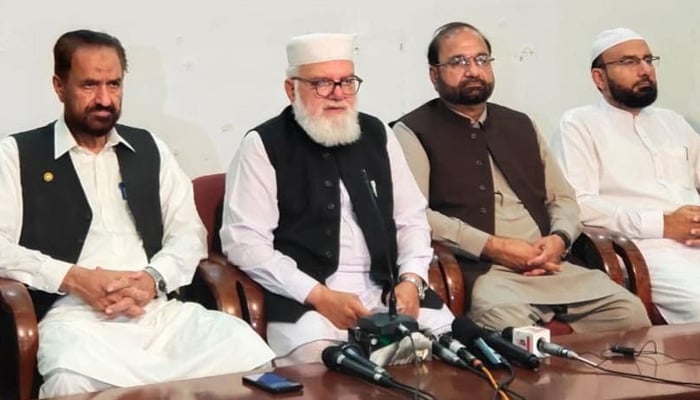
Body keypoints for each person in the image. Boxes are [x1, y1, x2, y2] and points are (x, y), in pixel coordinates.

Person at [0, 29, 274, 397]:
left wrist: (152, 279)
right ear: (59, 86)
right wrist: (74, 278)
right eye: (89, 85)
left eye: (114, 84)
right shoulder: (16, 155)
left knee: (248, 353)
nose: (104, 99)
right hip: (75, 318)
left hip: (157, 311)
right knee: (71, 380)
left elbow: (188, 233)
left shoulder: (149, 148)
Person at [393, 22, 650, 333]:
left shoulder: (520, 123)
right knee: (506, 323)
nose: (473, 70)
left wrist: (559, 239)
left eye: (481, 59)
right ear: (434, 75)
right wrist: (494, 247)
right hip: (486, 271)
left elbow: (563, 198)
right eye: (459, 62)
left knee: (629, 313)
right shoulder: (412, 131)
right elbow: (417, 216)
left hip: (553, 265)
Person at [220, 32, 454, 365]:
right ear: (291, 89)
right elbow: (245, 243)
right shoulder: (262, 145)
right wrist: (319, 296)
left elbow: (411, 218)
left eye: (347, 82)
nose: (338, 95)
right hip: (308, 303)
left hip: (391, 295)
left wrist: (412, 280)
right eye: (322, 84)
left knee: (453, 349)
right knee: (320, 362)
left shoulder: (378, 134)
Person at [552, 28, 700, 323]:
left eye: (648, 60)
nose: (645, 70)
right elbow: (578, 205)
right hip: (646, 249)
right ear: (599, 77)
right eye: (630, 62)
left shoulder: (674, 122)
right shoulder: (579, 124)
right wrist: (663, 224)